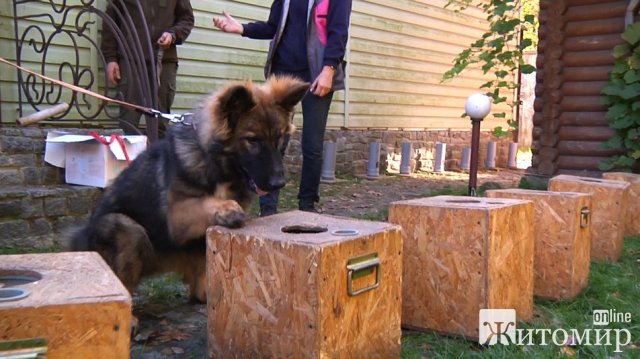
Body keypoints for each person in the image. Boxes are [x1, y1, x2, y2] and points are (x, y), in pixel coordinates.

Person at [213, 0, 352, 216]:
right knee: (273, 142)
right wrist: (242, 29)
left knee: (312, 144)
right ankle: (268, 209)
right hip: (282, 77)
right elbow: (273, 27)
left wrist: (329, 69)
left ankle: (307, 206)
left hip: (317, 74)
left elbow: (338, 32)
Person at [102, 0, 194, 135]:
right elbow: (110, 23)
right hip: (130, 61)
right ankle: (127, 155)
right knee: (128, 123)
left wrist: (172, 34)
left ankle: (158, 154)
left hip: (164, 61)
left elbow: (187, 19)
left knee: (160, 123)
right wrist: (110, 59)